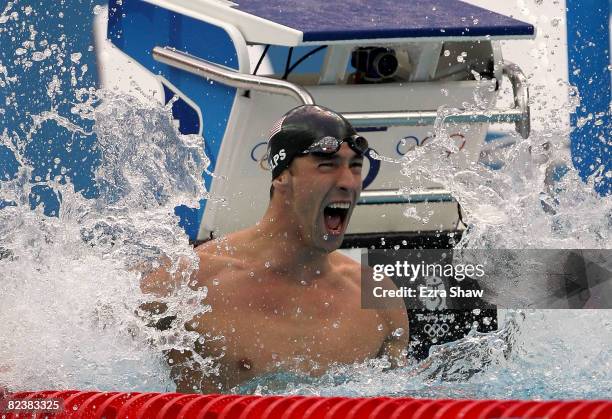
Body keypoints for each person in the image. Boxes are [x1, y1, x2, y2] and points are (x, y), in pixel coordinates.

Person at [141, 105, 409, 393]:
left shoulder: (377, 298)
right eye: (327, 165)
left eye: (355, 166)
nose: (348, 182)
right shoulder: (188, 282)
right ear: (282, 177)